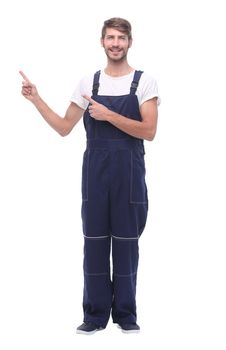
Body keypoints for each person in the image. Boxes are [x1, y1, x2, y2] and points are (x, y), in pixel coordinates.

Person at [20, 17, 160, 335]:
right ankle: (95, 316)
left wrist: (109, 115)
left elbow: (149, 131)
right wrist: (36, 99)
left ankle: (126, 315)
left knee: (126, 244)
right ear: (102, 41)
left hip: (129, 173)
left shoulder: (145, 82)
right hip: (94, 174)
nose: (115, 43)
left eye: (121, 38)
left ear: (129, 42)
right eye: (110, 37)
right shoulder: (88, 83)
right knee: (94, 244)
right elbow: (64, 127)